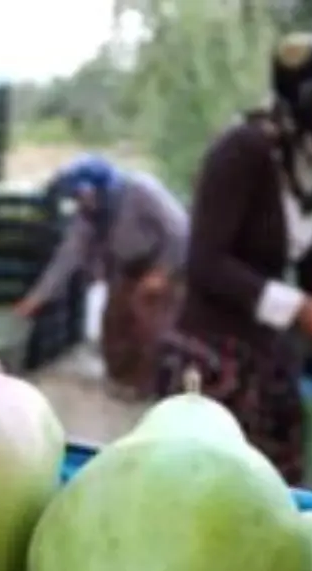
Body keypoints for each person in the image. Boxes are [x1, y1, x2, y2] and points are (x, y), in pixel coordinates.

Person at [155, 33, 312, 485]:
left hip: (264, 357)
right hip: (211, 362)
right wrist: (300, 309)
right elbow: (206, 262)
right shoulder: (242, 151)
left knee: (271, 496)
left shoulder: (297, 164)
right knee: (211, 494)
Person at [13, 156, 188, 400]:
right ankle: (121, 384)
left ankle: (154, 389)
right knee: (114, 327)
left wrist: (162, 271)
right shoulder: (88, 215)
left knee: (149, 327)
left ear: (98, 188)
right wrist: (35, 299)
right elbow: (66, 258)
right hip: (122, 267)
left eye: (81, 196)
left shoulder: (141, 190)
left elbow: (180, 231)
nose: (78, 203)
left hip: (159, 262)